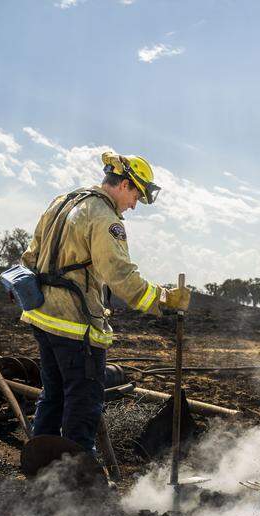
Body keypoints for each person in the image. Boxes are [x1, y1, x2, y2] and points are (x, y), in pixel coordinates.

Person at [18, 152, 191, 454]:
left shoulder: (61, 202)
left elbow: (30, 257)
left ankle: (42, 469)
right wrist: (164, 299)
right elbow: (121, 276)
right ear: (124, 184)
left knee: (53, 395)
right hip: (75, 327)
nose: (134, 204)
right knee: (83, 402)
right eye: (136, 195)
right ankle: (79, 478)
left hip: (42, 318)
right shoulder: (105, 218)